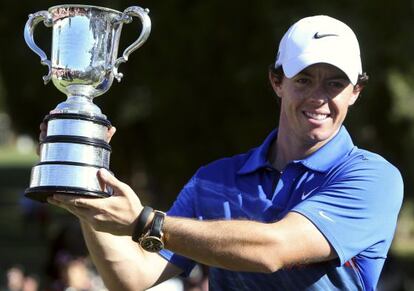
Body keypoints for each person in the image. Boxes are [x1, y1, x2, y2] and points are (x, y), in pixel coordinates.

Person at [45, 15, 404, 291]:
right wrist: (87, 194)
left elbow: (273, 250)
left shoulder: (373, 178)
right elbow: (134, 277)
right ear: (277, 82)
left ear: (356, 91)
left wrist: (147, 222)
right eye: (304, 80)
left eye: (335, 83)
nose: (319, 97)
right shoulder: (214, 179)